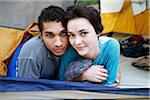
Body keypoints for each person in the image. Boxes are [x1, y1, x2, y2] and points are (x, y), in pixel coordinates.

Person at [17, 5, 109, 82]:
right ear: (40, 35)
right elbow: (26, 91)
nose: (58, 43)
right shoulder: (31, 55)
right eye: (49, 35)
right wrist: (82, 76)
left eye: (63, 34)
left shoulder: (75, 42)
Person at [60, 5, 120, 86]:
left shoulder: (111, 46)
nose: (77, 42)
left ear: (97, 32)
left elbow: (110, 84)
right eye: (72, 35)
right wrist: (83, 76)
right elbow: (61, 82)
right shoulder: (70, 52)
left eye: (83, 33)